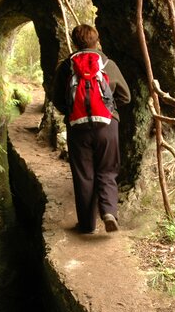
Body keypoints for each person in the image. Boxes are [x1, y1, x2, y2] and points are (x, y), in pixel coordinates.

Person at [51, 24, 131, 234]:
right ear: (97, 41)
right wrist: (108, 108)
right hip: (107, 125)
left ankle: (86, 225)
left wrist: (72, 112)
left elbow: (57, 99)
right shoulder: (107, 63)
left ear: (75, 42)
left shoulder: (66, 66)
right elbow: (126, 96)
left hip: (78, 127)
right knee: (107, 170)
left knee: (83, 174)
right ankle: (108, 212)